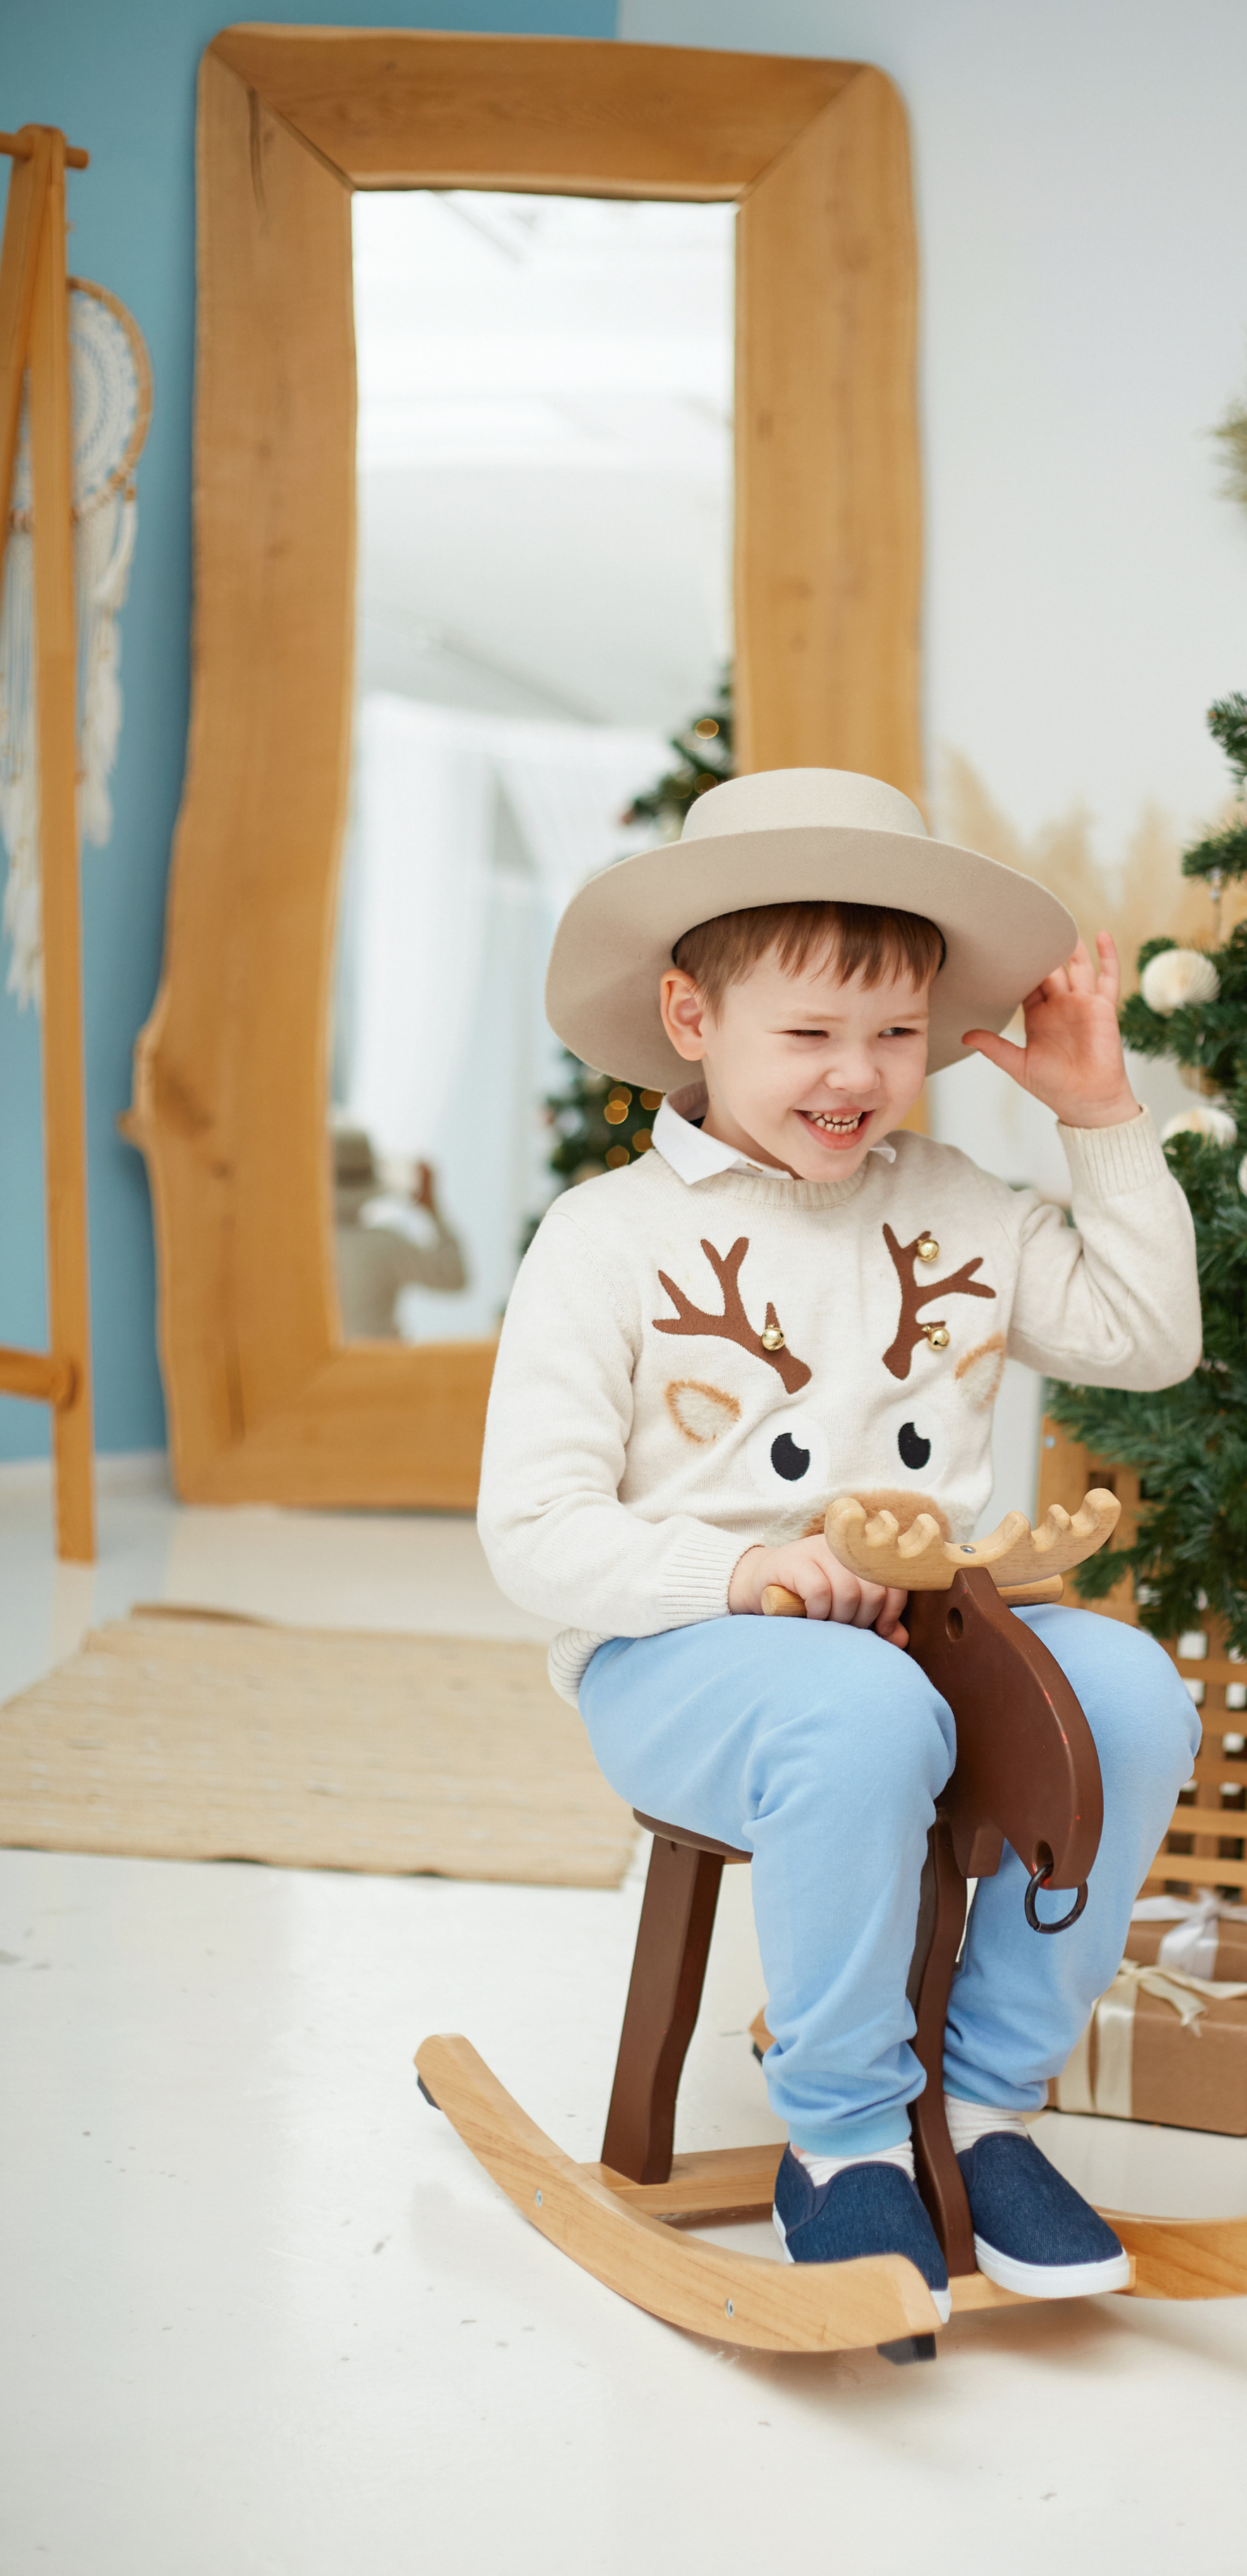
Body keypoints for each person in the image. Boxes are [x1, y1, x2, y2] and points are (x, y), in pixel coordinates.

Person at [479, 768, 1202, 2321]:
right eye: (805, 1034)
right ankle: (844, 2134)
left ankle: (987, 2100)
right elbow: (531, 1533)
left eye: (892, 1036)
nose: (853, 1075)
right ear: (691, 1018)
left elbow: (1148, 1338)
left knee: (1132, 1691)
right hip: (677, 1656)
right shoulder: (603, 1240)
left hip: (927, 1627)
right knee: (862, 1712)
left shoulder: (961, 1204)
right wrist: (737, 1573)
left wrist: (1097, 1118)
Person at [332, 1127, 468, 1341]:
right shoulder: (386, 1245)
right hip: (380, 1370)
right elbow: (455, 1277)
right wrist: (433, 1210)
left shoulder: (301, 1250)